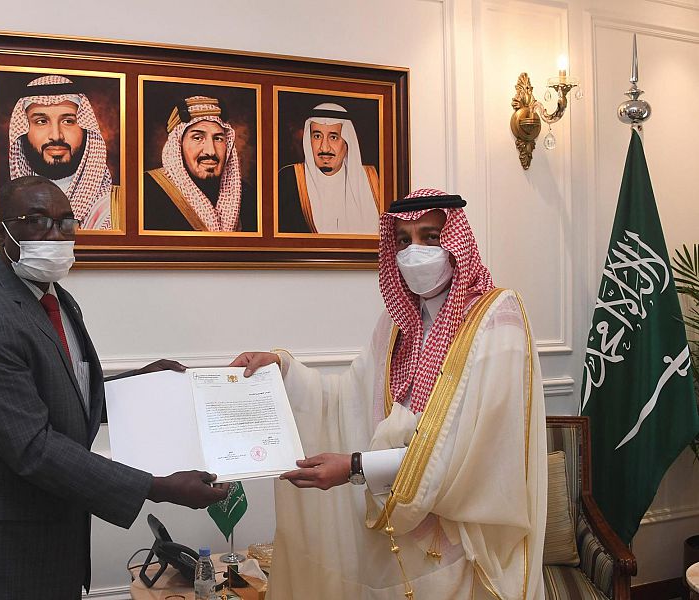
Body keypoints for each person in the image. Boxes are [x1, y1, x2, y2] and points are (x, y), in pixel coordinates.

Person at [0, 176, 228, 600]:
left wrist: (139, 383)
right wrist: (157, 487)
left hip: (50, 543)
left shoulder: (57, 300)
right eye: (36, 221)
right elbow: (33, 446)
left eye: (66, 222)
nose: (55, 235)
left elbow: (65, 394)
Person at [233, 188, 547, 599]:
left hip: (464, 547)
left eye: (430, 237)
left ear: (456, 242)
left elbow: (473, 451)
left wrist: (356, 466)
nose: (414, 251)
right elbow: (346, 399)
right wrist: (283, 371)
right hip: (397, 538)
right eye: (403, 240)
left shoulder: (498, 319)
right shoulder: (397, 323)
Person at [8, 75, 119, 230]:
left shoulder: (113, 209)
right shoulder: (5, 207)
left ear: (86, 130)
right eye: (41, 121)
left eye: (68, 121)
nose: (56, 135)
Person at [143, 95, 257, 232]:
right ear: (178, 145)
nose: (211, 151)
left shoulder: (248, 196)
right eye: (197, 138)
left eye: (218, 138)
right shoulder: (147, 190)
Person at [277, 102, 381, 234]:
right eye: (317, 136)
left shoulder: (374, 180)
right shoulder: (288, 180)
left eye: (333, 137)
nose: (324, 147)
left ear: (347, 142)